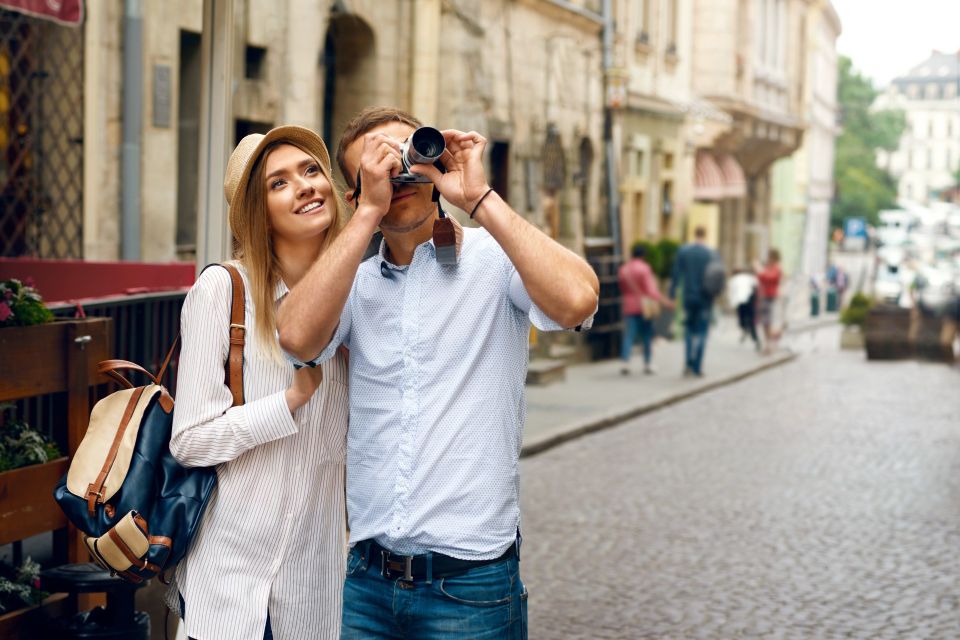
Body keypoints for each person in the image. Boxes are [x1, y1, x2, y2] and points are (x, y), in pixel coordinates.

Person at [277, 106, 599, 639]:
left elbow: (577, 301)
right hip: (367, 583)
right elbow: (296, 338)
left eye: (407, 157)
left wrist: (478, 199)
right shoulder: (354, 285)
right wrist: (364, 215)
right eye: (376, 168)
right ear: (356, 191)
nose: (398, 175)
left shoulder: (494, 262)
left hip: (470, 588)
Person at [168, 126, 349, 640]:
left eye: (312, 170)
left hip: (314, 589)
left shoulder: (357, 295)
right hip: (229, 586)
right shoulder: (223, 291)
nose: (306, 186)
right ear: (259, 212)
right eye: (280, 183)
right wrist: (288, 403)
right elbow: (190, 440)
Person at [618, 244, 674, 374]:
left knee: (629, 335)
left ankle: (625, 362)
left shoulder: (623, 269)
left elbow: (621, 288)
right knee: (647, 335)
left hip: (628, 305)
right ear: (643, 255)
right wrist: (665, 302)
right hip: (644, 306)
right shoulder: (644, 268)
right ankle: (647, 363)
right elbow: (651, 291)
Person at [669, 226, 717, 377]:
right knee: (702, 331)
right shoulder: (711, 253)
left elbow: (676, 274)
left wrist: (672, 293)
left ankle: (688, 362)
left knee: (689, 329)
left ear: (694, 234)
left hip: (689, 297)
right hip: (705, 298)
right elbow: (718, 275)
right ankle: (698, 366)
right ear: (705, 235)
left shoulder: (684, 251)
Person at [754, 248, 783, 354]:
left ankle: (769, 344)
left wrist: (758, 269)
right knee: (765, 323)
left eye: (769, 256)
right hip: (764, 296)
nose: (768, 258)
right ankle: (768, 343)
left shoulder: (776, 268)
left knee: (768, 321)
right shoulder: (768, 267)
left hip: (771, 297)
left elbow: (769, 278)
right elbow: (761, 278)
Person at [727, 268, 761, 351]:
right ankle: (755, 339)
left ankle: (746, 329)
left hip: (742, 301)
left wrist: (732, 304)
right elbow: (756, 286)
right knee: (751, 321)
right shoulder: (748, 278)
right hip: (749, 300)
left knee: (742, 320)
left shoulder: (733, 280)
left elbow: (731, 292)